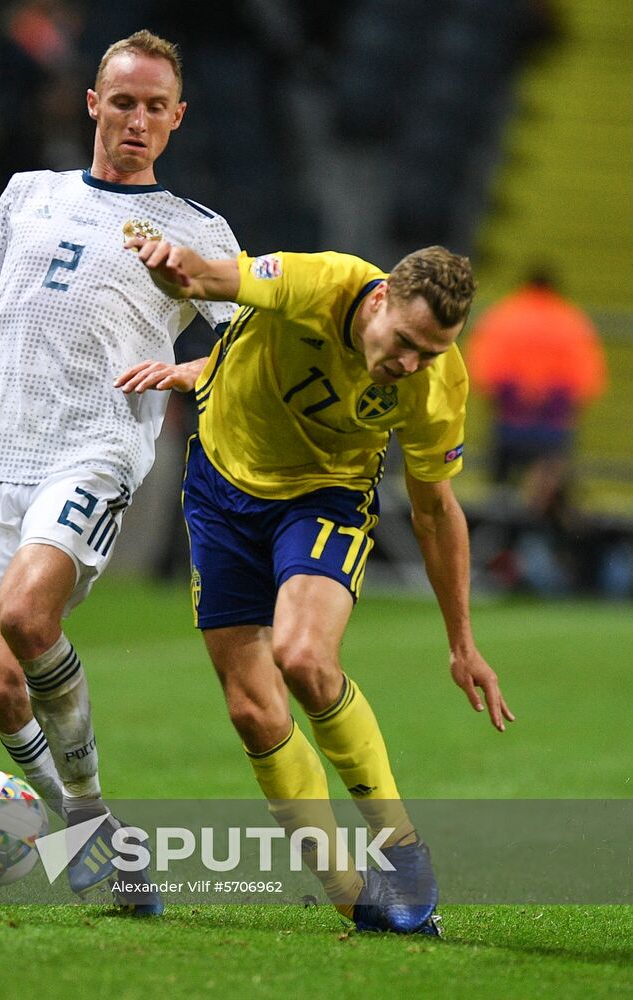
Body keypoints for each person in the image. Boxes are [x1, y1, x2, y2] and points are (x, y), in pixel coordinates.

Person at [0, 30, 240, 910]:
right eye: (123, 101)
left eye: (155, 107)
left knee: (31, 615)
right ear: (92, 104)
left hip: (93, 446)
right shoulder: (29, 194)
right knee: (0, 685)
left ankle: (89, 819)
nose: (137, 119)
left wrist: (189, 372)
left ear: (177, 119)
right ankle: (95, 833)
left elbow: (246, 349)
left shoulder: (198, 232)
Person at [116, 238, 515, 935]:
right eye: (406, 342)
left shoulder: (434, 383)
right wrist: (170, 264)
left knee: (303, 657)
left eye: (431, 350)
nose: (410, 363)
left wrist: (462, 643)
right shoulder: (315, 281)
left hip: (324, 497)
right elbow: (216, 277)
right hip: (220, 489)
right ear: (381, 297)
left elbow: (434, 511)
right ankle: (355, 898)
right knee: (252, 712)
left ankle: (400, 847)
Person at [466, 268, 607, 593]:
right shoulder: (571, 320)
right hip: (552, 428)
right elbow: (587, 380)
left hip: (509, 424)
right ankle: (550, 569)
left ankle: (499, 564)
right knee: (549, 501)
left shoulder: (504, 314)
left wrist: (515, 400)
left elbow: (485, 370)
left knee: (500, 500)